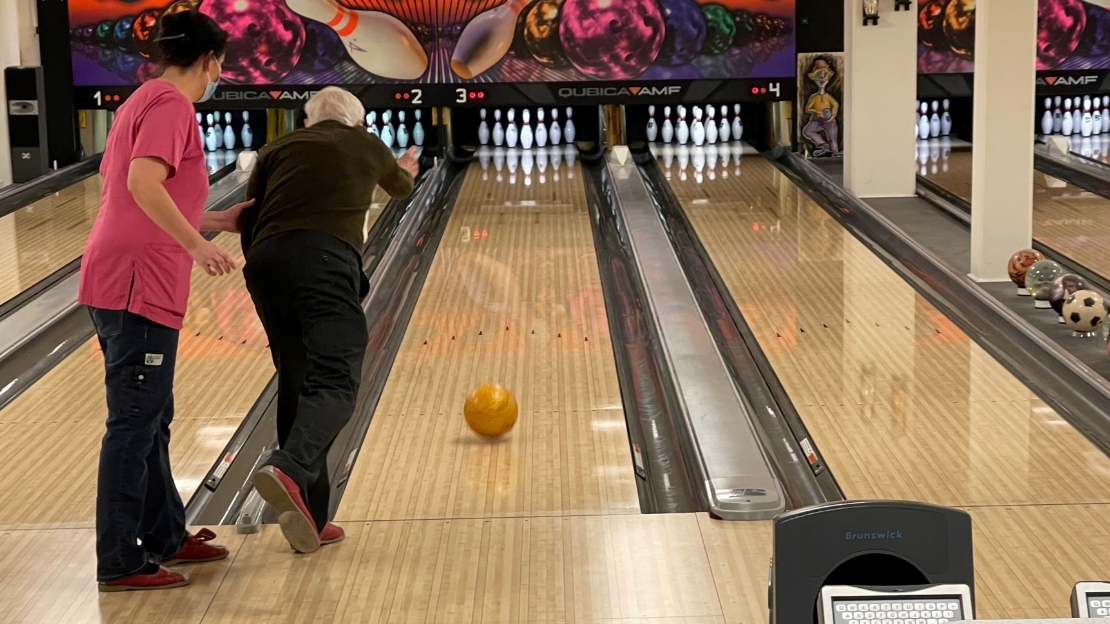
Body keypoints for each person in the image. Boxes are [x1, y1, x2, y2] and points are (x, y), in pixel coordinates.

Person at [79, 11, 253, 591]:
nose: (217, 76)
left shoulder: (140, 99)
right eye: (219, 66)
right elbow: (141, 184)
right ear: (209, 60)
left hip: (117, 273)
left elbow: (136, 194)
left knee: (151, 417)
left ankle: (164, 534)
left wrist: (215, 219)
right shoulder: (174, 106)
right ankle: (119, 560)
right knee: (132, 422)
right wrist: (196, 244)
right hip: (138, 279)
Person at [240, 87, 419, 554]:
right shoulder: (364, 142)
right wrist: (404, 169)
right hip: (322, 261)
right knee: (337, 380)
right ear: (357, 122)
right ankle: (289, 466)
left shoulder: (275, 148)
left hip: (264, 265)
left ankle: (312, 517)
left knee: (297, 383)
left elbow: (251, 211)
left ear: (307, 119)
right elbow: (400, 188)